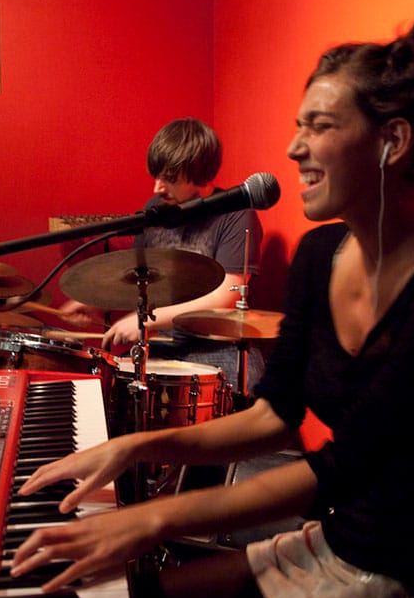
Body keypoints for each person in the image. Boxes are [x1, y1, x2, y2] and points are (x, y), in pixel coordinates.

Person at [12, 14, 414, 598]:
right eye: (297, 126)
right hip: (352, 543)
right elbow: (273, 414)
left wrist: (149, 517)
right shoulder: (321, 257)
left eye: (317, 126)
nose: (292, 148)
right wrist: (134, 449)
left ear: (393, 141)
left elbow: (349, 465)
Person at [59, 117, 266, 394]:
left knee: (246, 386)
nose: (157, 188)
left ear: (200, 174)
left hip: (217, 346)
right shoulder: (157, 209)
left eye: (169, 179)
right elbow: (137, 279)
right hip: (161, 343)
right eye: (156, 176)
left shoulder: (236, 215)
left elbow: (225, 297)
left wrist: (147, 320)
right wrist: (96, 302)